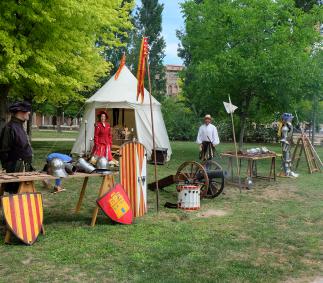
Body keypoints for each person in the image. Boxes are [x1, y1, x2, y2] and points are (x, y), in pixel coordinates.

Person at [0, 101, 34, 193]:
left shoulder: (20, 126)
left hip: (24, 166)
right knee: (15, 194)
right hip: (15, 167)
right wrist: (9, 168)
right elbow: (4, 150)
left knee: (24, 193)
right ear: (20, 112)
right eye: (27, 111)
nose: (29, 113)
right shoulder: (9, 127)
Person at [279, 113, 299, 178]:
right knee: (286, 158)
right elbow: (283, 139)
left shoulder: (290, 125)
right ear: (287, 119)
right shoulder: (284, 128)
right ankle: (286, 171)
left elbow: (292, 132)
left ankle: (289, 171)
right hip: (285, 144)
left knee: (289, 158)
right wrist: (286, 143)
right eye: (290, 118)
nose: (291, 120)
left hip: (288, 143)